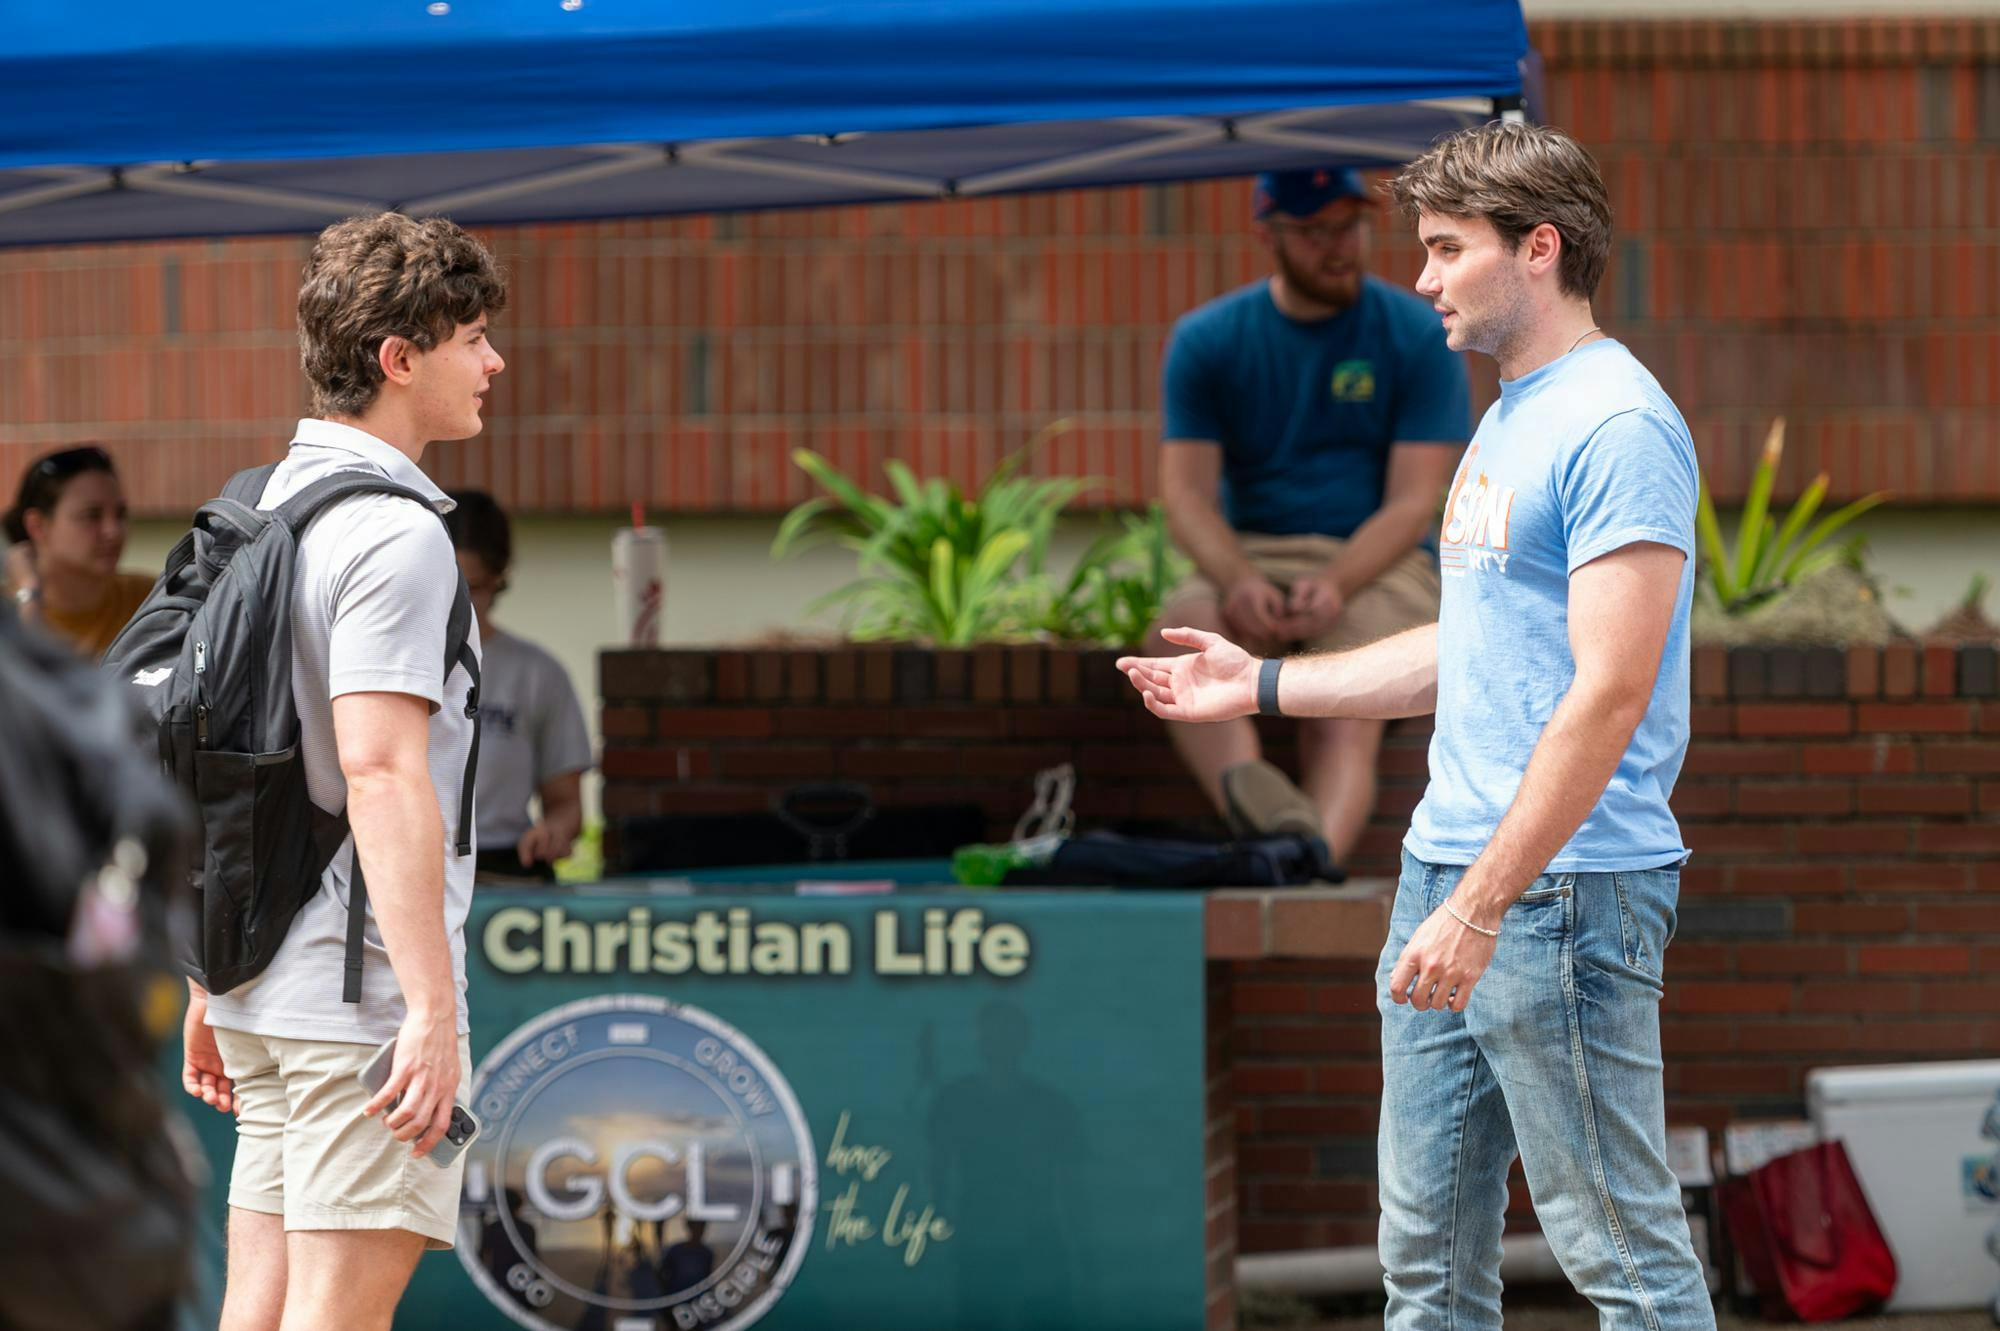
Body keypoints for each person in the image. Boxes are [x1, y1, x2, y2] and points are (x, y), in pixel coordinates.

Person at [1117, 122, 1713, 1329]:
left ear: (1536, 249)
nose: (1421, 278)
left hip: (1555, 891)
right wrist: (1261, 688)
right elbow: (1471, 651)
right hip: (1447, 870)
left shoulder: (1615, 426)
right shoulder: (1510, 415)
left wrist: (1482, 900)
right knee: (1427, 1267)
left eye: (1446, 250)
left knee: (1624, 1262)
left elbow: (1606, 692)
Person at [178, 211, 508, 1331]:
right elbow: (377, 769)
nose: (493, 361)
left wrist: (206, 974)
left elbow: (214, 753)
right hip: (354, 998)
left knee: (257, 1313)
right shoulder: (397, 532)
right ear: (398, 358)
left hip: (260, 982)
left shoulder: (259, 505)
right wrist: (432, 1005)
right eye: (470, 337)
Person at [1147, 167, 1470, 864]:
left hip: (1381, 564)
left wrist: (1336, 582)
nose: (1340, 246)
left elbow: (1414, 499)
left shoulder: (1417, 332)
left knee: (1343, 694)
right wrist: (1234, 579)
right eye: (1315, 231)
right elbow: (1186, 495)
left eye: (1350, 225)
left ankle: (1309, 863)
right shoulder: (1209, 339)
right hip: (1254, 551)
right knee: (1178, 636)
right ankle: (1272, 819)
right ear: (1269, 235)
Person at [443, 489, 591, 883]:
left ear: (499, 580)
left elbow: (566, 804)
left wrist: (554, 832)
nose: (457, 605)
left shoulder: (536, 672)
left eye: (472, 589)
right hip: (414, 865)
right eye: (445, 587)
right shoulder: (389, 665)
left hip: (507, 867)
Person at [3, 444, 155, 657]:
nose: (113, 531)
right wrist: (29, 594)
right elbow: (26, 682)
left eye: (120, 514)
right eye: (92, 515)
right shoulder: (8, 611)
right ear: (37, 526)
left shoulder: (151, 599)